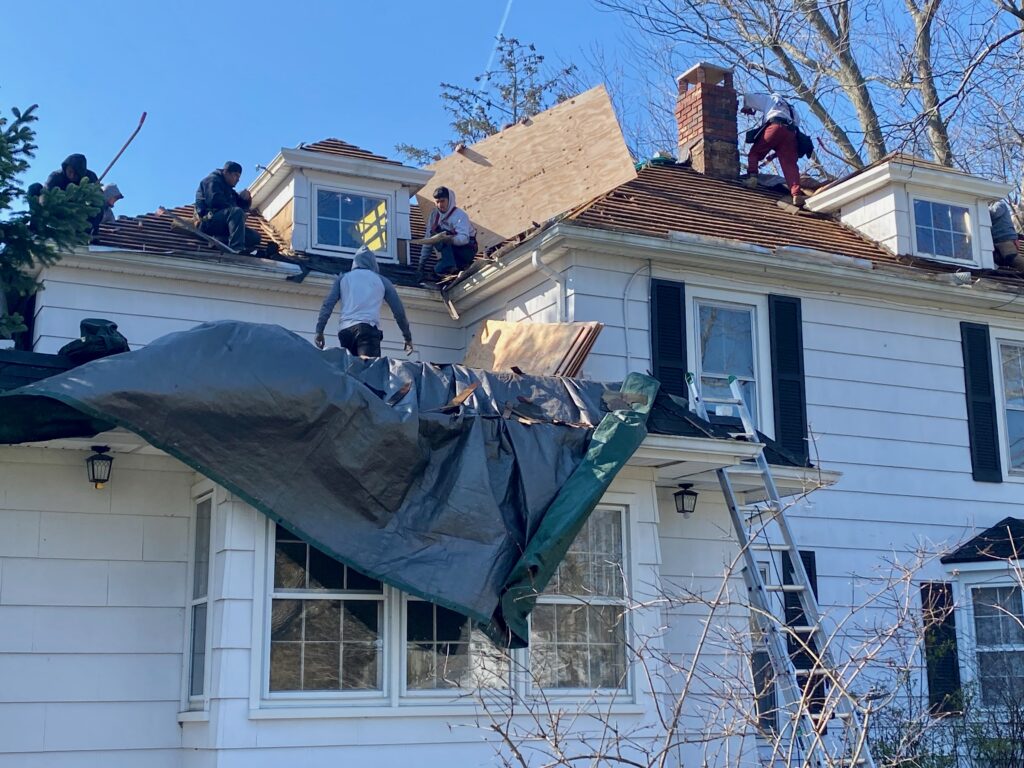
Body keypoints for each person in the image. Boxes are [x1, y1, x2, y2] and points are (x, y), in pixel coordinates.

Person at [314, 246, 414, 357]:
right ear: (373, 263)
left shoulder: (343, 279)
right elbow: (399, 312)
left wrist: (319, 331)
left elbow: (328, 305)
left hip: (345, 332)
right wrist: (407, 337)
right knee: (369, 371)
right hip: (367, 331)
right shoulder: (382, 281)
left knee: (351, 372)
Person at [741, 93, 804, 207]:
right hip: (791, 133)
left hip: (775, 127)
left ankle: (752, 178)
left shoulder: (770, 98)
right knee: (790, 164)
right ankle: (796, 194)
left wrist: (747, 107)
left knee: (755, 153)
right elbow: (794, 125)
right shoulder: (791, 109)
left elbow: (748, 97)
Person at [194, 161, 261, 253]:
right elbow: (215, 201)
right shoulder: (211, 181)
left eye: (239, 177)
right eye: (236, 175)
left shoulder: (229, 189)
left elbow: (241, 206)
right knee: (236, 212)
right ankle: (236, 248)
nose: (238, 179)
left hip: (224, 226)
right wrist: (237, 212)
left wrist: (245, 199)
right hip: (208, 223)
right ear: (226, 172)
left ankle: (220, 240)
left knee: (255, 237)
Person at [419, 186, 477, 277]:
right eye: (437, 202)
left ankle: (450, 266)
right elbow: (428, 240)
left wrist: (450, 239)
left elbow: (464, 238)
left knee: (443, 234)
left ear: (449, 200)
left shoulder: (459, 215)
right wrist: (421, 264)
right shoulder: (434, 216)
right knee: (437, 269)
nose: (440, 205)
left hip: (466, 250)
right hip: (451, 255)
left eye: (442, 201)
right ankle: (449, 267)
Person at [989, 200, 1023, 270]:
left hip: (1005, 238)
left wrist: (981, 209)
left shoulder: (999, 203)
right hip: (995, 240)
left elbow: (995, 213)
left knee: (1011, 257)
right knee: (999, 261)